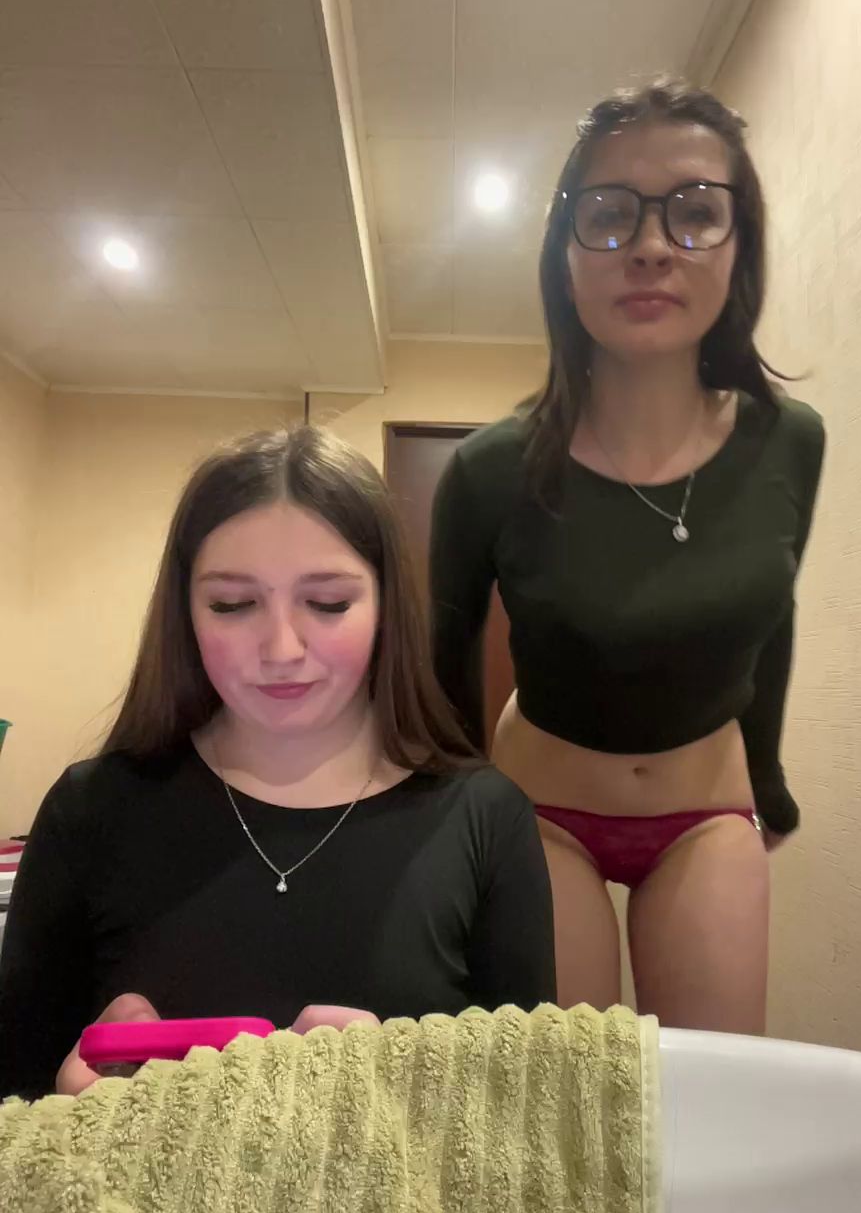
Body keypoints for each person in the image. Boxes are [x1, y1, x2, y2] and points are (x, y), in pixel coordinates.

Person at [430, 77, 824, 1033]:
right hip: (540, 814)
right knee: (573, 1100)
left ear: (741, 244)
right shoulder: (488, 470)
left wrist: (769, 777)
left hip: (708, 812)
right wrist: (447, 825)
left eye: (695, 212)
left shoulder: (791, 441)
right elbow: (440, 666)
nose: (651, 245)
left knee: (716, 1088)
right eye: (609, 214)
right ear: (564, 255)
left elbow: (771, 618)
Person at [0, 425, 556, 1102]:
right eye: (233, 605)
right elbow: (16, 1098)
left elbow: (528, 1115)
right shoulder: (90, 811)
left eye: (328, 603)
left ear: (386, 607)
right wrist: (72, 1112)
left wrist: (400, 1090)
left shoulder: (485, 819)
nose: (282, 648)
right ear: (185, 611)